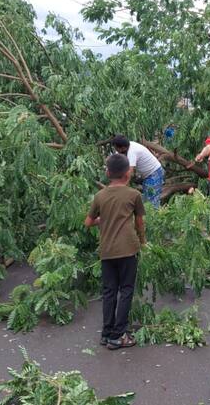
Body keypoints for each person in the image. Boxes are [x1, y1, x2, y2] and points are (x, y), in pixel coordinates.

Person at [85, 154, 145, 350]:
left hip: (107, 251)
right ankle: (118, 336)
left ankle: (106, 333)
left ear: (107, 173)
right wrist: (143, 242)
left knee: (109, 291)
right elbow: (139, 222)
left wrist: (104, 219)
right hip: (128, 250)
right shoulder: (134, 195)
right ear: (128, 173)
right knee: (126, 290)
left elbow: (88, 223)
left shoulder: (99, 196)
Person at [111, 135, 165, 208]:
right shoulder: (125, 147)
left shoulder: (132, 152)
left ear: (122, 147)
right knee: (147, 200)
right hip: (146, 175)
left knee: (151, 201)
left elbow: (130, 172)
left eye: (116, 148)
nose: (116, 150)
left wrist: (122, 187)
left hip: (154, 173)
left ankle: (155, 217)